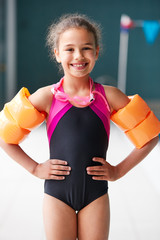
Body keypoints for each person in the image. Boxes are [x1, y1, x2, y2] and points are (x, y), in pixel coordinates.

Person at [0, 13, 159, 240]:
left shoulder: (109, 96)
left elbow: (151, 134)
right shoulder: (46, 97)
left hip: (95, 195)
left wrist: (118, 170)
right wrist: (35, 168)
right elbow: (4, 135)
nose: (78, 56)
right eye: (69, 49)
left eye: (86, 48)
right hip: (57, 195)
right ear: (57, 54)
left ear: (96, 52)